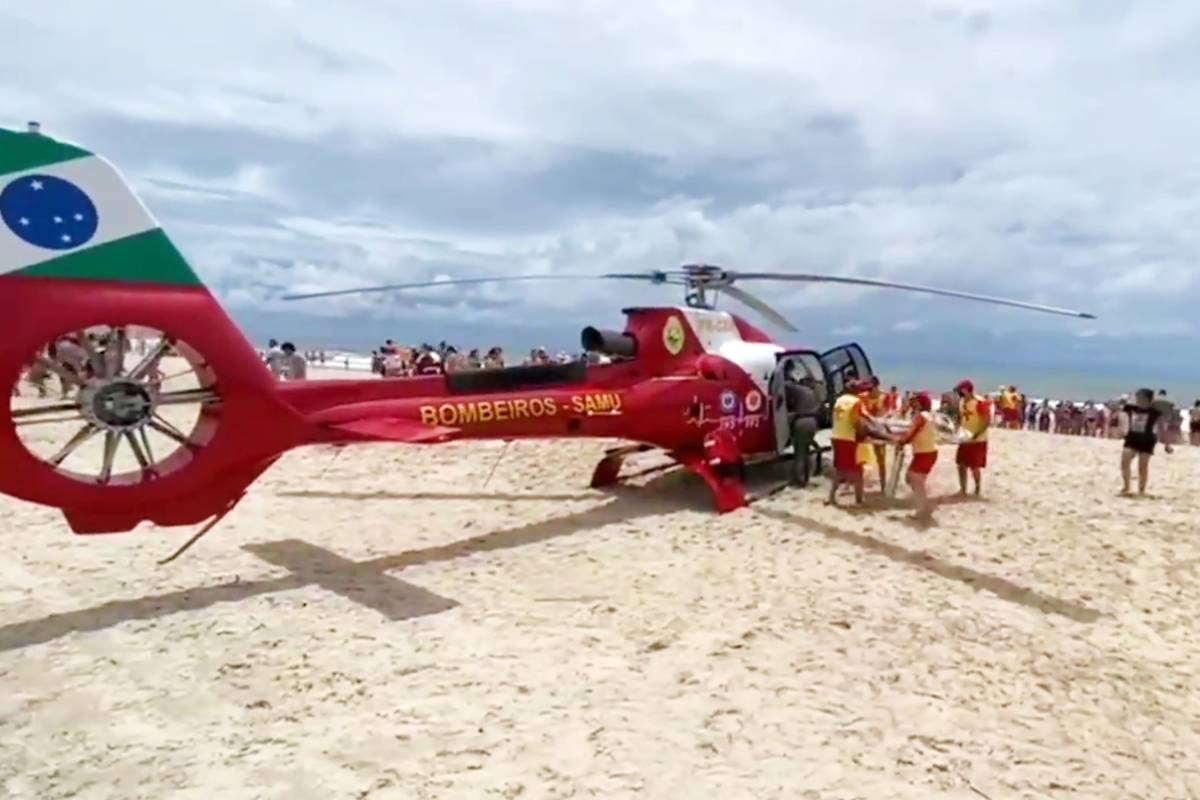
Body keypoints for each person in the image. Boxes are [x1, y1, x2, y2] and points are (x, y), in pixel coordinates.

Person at [891, 391, 939, 520]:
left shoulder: (921, 417)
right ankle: (923, 504)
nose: (913, 403)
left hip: (924, 453)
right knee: (911, 478)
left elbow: (911, 434)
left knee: (914, 480)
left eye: (916, 401)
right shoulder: (928, 415)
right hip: (928, 452)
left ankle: (922, 509)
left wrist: (900, 441)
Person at [827, 379, 874, 507]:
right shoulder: (856, 402)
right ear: (856, 390)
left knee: (840, 469)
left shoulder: (839, 400)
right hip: (849, 438)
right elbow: (856, 422)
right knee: (857, 470)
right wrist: (864, 434)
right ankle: (859, 499)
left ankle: (831, 496)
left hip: (837, 436)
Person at [1121, 388, 1172, 495]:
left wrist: (1167, 445)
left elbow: (1162, 428)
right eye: (1137, 397)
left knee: (1142, 466)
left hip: (1147, 440)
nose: (1137, 399)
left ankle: (1141, 490)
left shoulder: (1155, 412)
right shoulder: (1130, 408)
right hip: (1132, 438)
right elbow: (1118, 407)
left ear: (1148, 399)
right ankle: (1126, 487)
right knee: (1125, 462)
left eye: (1139, 397)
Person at [783, 362, 823, 487]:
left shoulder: (798, 389)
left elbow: (784, 386)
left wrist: (784, 375)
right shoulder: (812, 393)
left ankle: (798, 481)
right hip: (813, 422)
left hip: (802, 422)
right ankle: (806, 477)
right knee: (806, 452)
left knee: (799, 453)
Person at [954, 379, 990, 496]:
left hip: (977, 439)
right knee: (961, 464)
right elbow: (961, 418)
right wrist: (956, 429)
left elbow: (986, 421)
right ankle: (963, 489)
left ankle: (977, 488)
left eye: (961, 390)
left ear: (967, 390)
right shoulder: (961, 402)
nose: (959, 393)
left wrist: (976, 434)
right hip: (964, 437)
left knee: (974, 466)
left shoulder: (979, 402)